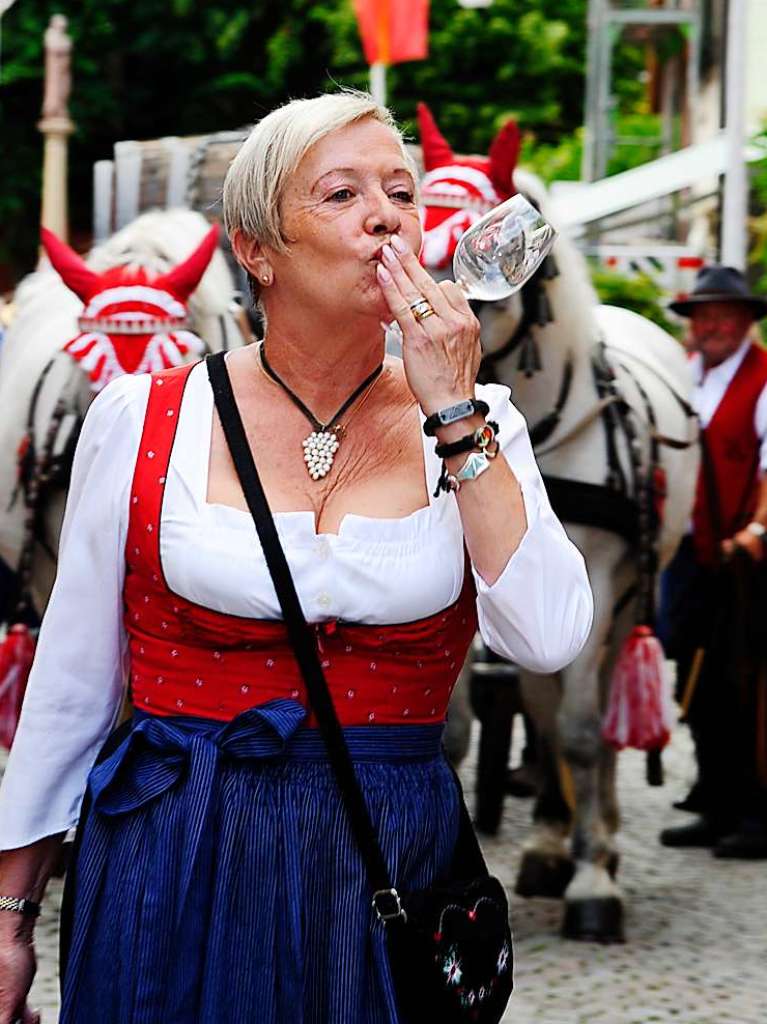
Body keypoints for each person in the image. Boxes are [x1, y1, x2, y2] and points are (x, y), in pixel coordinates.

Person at [0, 92, 592, 1024]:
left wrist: (453, 413)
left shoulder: (481, 427)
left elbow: (548, 636)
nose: (387, 215)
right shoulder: (145, 418)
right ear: (257, 250)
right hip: (174, 845)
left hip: (385, 855)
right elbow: (71, 684)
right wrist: (9, 916)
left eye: (402, 191)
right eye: (342, 193)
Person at [659, 264, 767, 858]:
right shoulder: (686, 374)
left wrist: (754, 532)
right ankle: (714, 796)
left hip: (747, 561)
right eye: (704, 315)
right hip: (694, 555)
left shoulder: (764, 380)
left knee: (746, 688)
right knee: (696, 682)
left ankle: (755, 811)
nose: (714, 325)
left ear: (748, 321)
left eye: (726, 314)